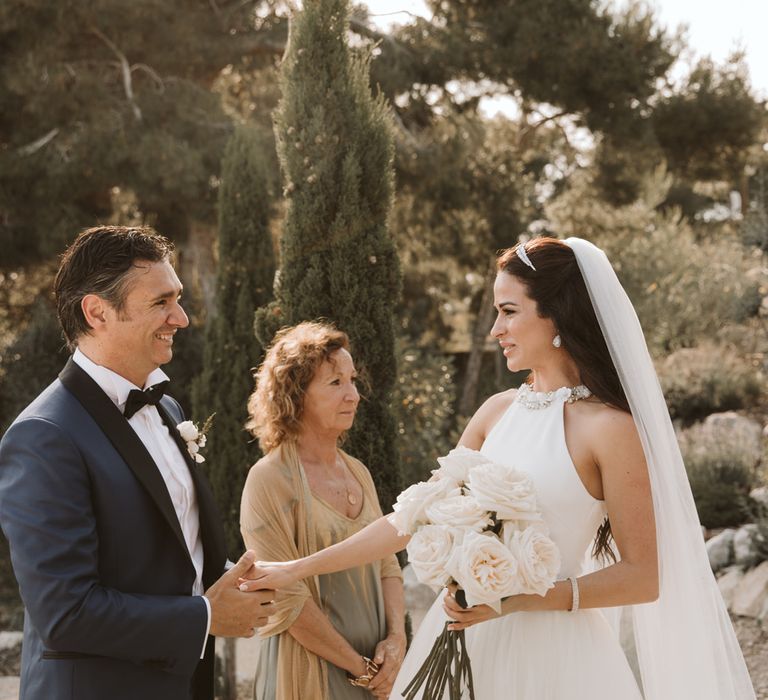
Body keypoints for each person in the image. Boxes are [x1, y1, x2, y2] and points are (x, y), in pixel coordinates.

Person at [243, 237, 756, 700]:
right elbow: (412, 516)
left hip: (561, 661)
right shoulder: (495, 412)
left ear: (556, 315)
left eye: (509, 312)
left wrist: (515, 601)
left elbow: (643, 578)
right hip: (464, 642)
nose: (495, 329)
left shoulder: (610, 429)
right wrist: (296, 568)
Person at [0, 226, 276, 700]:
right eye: (160, 303)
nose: (182, 318)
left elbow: (172, 554)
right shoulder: (43, 436)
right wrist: (207, 617)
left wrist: (259, 578)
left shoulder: (167, 408)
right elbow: (65, 613)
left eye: (179, 298)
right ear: (97, 312)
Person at [240, 321, 405, 700]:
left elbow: (387, 564)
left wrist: (396, 641)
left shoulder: (358, 471)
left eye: (352, 380)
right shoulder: (269, 479)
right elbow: (286, 599)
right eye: (335, 383)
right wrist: (360, 668)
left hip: (377, 676)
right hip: (308, 675)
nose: (354, 395)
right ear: (295, 396)